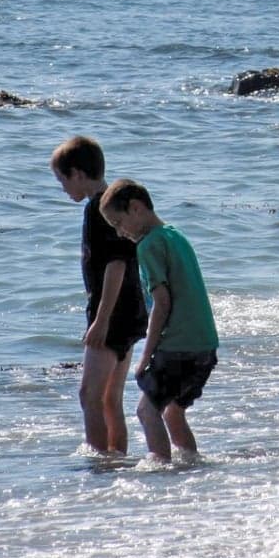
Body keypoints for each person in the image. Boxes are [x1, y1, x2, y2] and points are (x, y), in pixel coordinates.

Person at [99, 179, 219, 463]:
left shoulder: (148, 245)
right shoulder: (175, 235)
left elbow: (162, 303)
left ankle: (162, 473)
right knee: (173, 411)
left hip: (177, 347)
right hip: (205, 346)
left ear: (136, 208)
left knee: (146, 410)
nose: (119, 232)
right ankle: (192, 465)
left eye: (118, 223)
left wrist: (146, 355)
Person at [50, 136, 148, 454]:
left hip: (113, 313)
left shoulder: (99, 210)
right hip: (131, 310)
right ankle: (116, 459)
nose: (63, 188)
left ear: (77, 174)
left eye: (63, 180)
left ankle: (99, 461)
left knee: (89, 395)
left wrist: (101, 320)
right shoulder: (112, 204)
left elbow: (116, 264)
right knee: (110, 397)